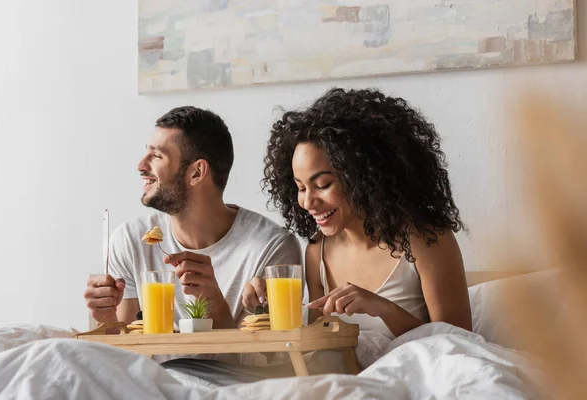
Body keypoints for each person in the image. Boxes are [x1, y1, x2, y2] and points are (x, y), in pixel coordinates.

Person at [243, 88, 472, 359]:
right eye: (300, 187)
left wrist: (383, 309)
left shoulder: (426, 239)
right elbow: (317, 345)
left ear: (364, 177)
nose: (306, 202)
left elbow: (460, 344)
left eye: (322, 185)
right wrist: (270, 310)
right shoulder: (317, 250)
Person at [84, 106, 302, 334]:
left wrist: (214, 302)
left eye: (156, 156)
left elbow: (262, 363)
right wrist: (106, 318)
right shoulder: (130, 240)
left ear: (197, 172)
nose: (141, 166)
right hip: (151, 370)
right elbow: (128, 356)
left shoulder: (272, 248)